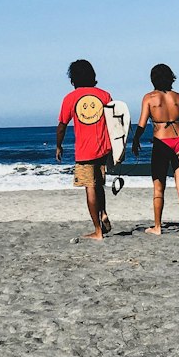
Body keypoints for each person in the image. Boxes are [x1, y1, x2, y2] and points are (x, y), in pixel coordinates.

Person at [56, 58, 114, 241]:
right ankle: (103, 212)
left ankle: (97, 230)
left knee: (90, 188)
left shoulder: (70, 98)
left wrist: (58, 145)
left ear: (73, 79)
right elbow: (114, 122)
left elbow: (62, 125)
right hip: (104, 148)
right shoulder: (105, 95)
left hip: (84, 151)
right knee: (99, 184)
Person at [133, 63, 179, 237]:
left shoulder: (149, 98)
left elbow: (142, 123)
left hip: (162, 143)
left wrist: (136, 140)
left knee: (158, 187)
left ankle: (157, 227)